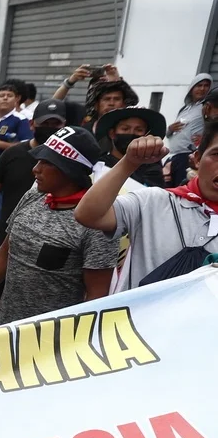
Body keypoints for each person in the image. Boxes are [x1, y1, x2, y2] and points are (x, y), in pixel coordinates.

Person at [0, 126, 115, 328]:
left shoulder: (96, 223)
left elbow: (96, 296)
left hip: (51, 341)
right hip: (7, 326)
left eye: (46, 163)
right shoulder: (33, 196)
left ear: (70, 170)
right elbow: (5, 252)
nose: (35, 168)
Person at [75, 126, 218, 292]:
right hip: (134, 317)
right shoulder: (153, 201)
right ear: (198, 158)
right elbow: (88, 215)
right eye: (217, 155)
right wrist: (129, 163)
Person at [0, 99, 66, 325]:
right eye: (45, 123)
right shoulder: (13, 154)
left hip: (47, 245)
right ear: (32, 124)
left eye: (56, 123)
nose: (51, 128)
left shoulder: (69, 162)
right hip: (4, 239)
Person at [92, 107, 168, 188]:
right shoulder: (99, 163)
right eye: (125, 129)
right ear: (112, 133)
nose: (132, 133)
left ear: (146, 135)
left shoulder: (151, 166)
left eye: (139, 130)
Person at [166, 74, 213, 187]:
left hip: (188, 156)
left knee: (181, 191)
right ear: (192, 88)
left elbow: (214, 126)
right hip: (173, 157)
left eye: (206, 85)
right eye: (199, 85)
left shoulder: (207, 107)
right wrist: (170, 129)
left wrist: (206, 138)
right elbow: (169, 134)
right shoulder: (184, 108)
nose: (202, 89)